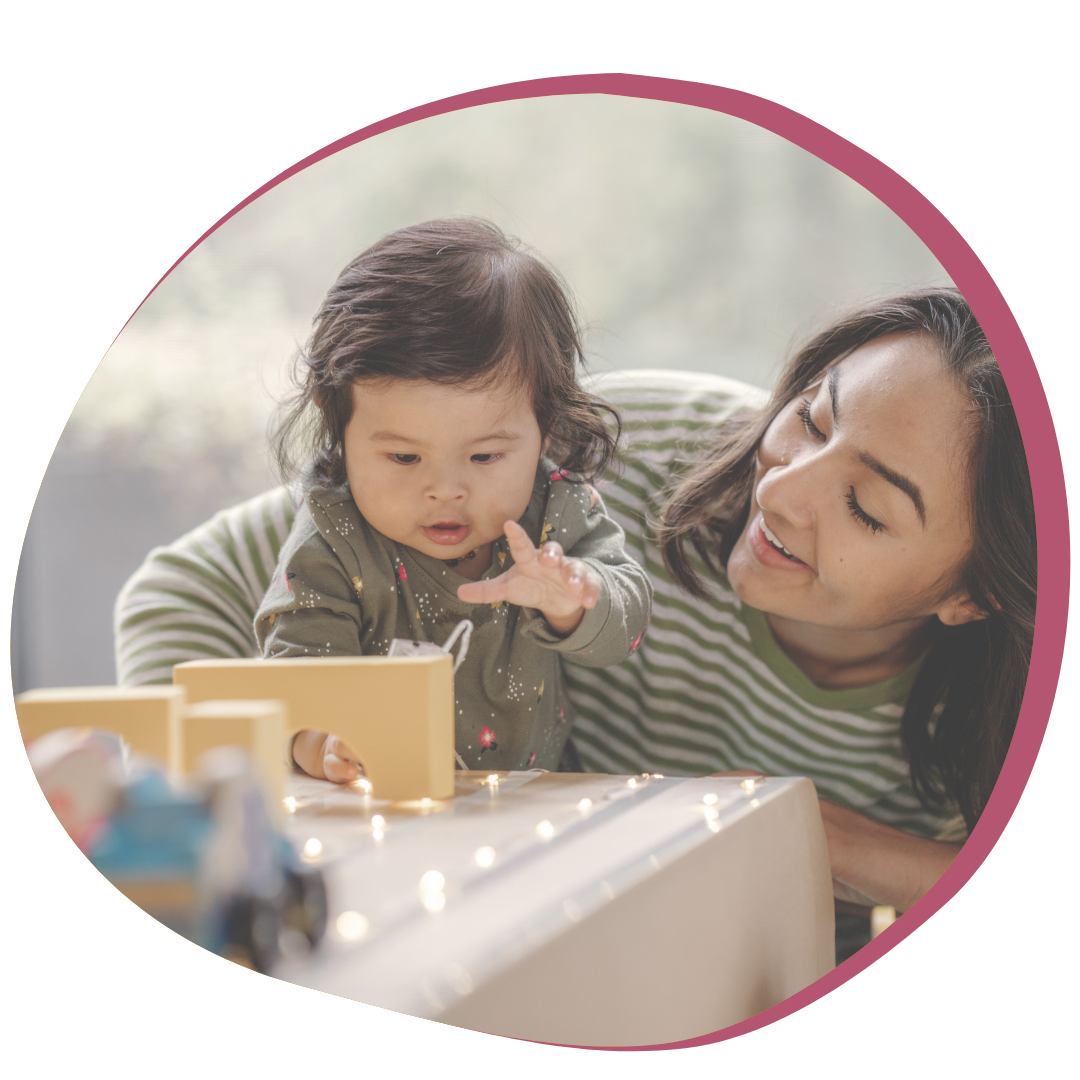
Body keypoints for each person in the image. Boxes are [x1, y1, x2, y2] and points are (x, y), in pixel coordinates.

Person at [563, 288, 1035, 954]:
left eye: (866, 507)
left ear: (974, 596)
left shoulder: (1009, 703)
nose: (778, 492)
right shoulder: (616, 449)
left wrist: (827, 834)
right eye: (813, 420)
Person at [253, 218, 652, 782]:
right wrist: (321, 741)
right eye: (404, 458)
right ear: (336, 423)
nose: (445, 490)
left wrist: (571, 599)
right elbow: (294, 674)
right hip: (385, 807)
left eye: (485, 457)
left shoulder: (555, 512)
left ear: (545, 423)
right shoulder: (335, 538)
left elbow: (626, 627)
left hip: (538, 806)